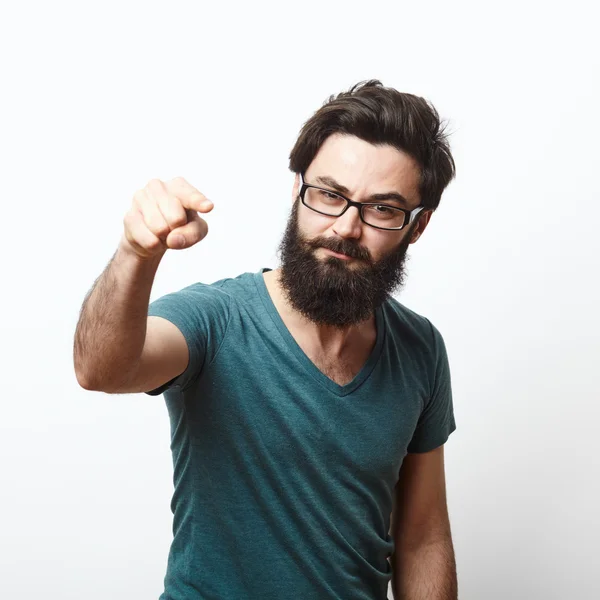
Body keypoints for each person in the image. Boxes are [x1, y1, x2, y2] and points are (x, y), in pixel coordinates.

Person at [74, 80, 458, 600]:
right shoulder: (217, 319)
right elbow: (101, 370)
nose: (345, 226)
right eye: (328, 194)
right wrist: (135, 254)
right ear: (299, 189)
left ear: (417, 226)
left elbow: (422, 535)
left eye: (382, 210)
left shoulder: (420, 348)